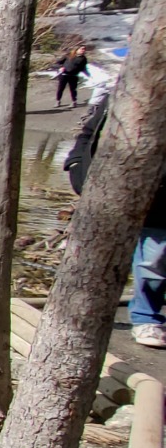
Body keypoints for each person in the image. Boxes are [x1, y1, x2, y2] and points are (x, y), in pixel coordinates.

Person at [64, 93, 166, 348]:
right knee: (146, 261)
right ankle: (140, 317)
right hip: (108, 193)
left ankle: (145, 316)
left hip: (159, 199)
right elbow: (90, 131)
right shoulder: (123, 92)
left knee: (153, 258)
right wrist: (76, 163)